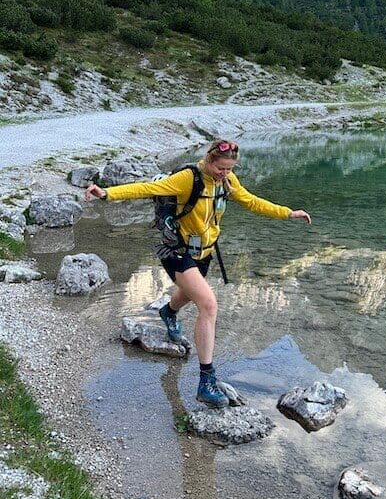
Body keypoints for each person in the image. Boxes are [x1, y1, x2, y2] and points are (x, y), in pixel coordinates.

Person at [85, 139, 311, 408]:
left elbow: (252, 202)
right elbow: (147, 188)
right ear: (209, 160)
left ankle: (168, 312)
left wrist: (288, 213)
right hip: (176, 251)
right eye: (220, 168)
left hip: (203, 253)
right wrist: (107, 193)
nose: (224, 174)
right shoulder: (188, 178)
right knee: (209, 305)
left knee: (188, 294)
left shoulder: (227, 182)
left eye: (229, 169)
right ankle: (206, 381)